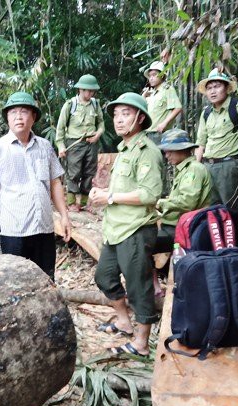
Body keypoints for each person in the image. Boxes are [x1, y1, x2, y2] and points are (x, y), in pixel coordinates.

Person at [89, 92, 163, 357]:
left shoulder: (148, 151)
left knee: (138, 285)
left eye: (126, 114)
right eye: (116, 114)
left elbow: (149, 194)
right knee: (104, 277)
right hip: (115, 229)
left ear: (140, 118)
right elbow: (124, 188)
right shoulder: (124, 149)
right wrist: (104, 192)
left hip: (135, 229)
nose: (119, 120)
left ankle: (141, 344)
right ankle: (123, 321)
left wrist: (109, 196)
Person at [0, 92, 71, 280]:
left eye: (24, 112)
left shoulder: (45, 147)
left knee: (46, 280)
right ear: (7, 118)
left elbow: (55, 183)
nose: (18, 117)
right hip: (14, 231)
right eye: (13, 112)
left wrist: (64, 216)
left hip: (44, 228)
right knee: (15, 282)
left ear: (34, 117)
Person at [195, 68, 238, 219]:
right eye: (209, 88)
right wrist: (196, 168)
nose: (212, 91)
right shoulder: (206, 112)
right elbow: (201, 142)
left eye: (217, 86)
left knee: (231, 210)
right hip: (208, 166)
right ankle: (218, 242)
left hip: (229, 165)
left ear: (227, 88)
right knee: (212, 210)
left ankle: (235, 241)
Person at [154, 129, 212, 254]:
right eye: (165, 152)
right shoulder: (184, 169)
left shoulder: (194, 169)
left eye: (170, 151)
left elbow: (188, 201)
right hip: (177, 225)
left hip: (184, 228)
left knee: (142, 242)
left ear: (182, 149)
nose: (166, 156)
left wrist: (160, 203)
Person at [55, 74, 105, 212]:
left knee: (89, 172)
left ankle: (83, 202)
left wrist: (98, 135)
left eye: (92, 91)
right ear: (80, 90)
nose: (90, 93)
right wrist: (61, 146)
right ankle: (71, 202)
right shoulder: (70, 105)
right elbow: (60, 128)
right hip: (75, 143)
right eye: (87, 90)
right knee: (74, 173)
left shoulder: (95, 104)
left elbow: (101, 123)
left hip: (92, 143)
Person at [142, 61, 183, 145]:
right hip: (148, 132)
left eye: (154, 75)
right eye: (150, 76)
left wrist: (164, 123)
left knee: (161, 157)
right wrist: (143, 96)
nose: (151, 78)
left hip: (159, 133)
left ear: (162, 75)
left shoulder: (167, 89)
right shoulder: (152, 93)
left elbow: (177, 108)